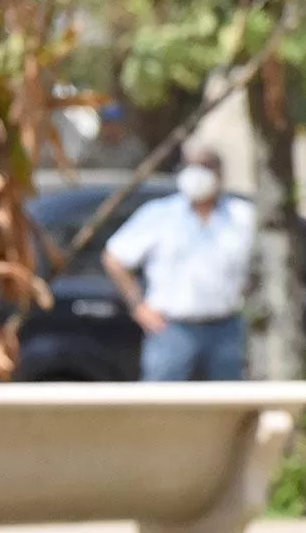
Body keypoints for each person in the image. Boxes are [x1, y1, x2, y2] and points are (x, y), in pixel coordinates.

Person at [103, 147, 256, 382]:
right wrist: (138, 306)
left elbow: (259, 266)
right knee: (161, 410)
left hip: (226, 329)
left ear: (220, 174)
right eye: (190, 166)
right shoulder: (160, 214)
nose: (197, 174)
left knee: (227, 410)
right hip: (171, 330)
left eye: (205, 166)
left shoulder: (242, 216)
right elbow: (114, 257)